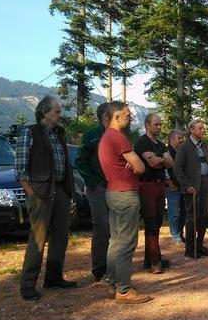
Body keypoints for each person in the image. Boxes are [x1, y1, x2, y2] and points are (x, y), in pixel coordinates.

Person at [15, 96, 77, 301]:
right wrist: (31, 194)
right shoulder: (29, 132)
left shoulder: (59, 134)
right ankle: (27, 285)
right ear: (44, 113)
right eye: (56, 112)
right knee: (38, 239)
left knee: (60, 237)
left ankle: (53, 278)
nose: (60, 115)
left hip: (60, 190)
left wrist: (69, 193)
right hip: (40, 192)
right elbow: (20, 169)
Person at [97, 101, 153, 303]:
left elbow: (132, 163)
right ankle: (123, 290)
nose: (130, 118)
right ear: (116, 117)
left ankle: (114, 284)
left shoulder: (106, 138)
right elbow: (140, 167)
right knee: (126, 243)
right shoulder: (118, 138)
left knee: (116, 242)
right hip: (125, 194)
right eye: (127, 115)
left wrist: (132, 162)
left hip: (113, 192)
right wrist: (134, 162)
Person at [75, 102, 110, 282]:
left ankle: (113, 265)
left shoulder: (118, 134)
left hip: (115, 188)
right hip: (98, 188)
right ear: (105, 116)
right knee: (102, 227)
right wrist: (94, 183)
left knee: (115, 228)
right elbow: (80, 161)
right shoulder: (92, 135)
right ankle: (99, 268)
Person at [134, 113, 173, 274]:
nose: (159, 127)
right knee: (150, 222)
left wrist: (160, 161)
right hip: (147, 185)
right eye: (156, 124)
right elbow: (152, 162)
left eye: (160, 124)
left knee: (157, 222)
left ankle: (149, 260)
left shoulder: (161, 144)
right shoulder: (142, 142)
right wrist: (161, 160)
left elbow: (170, 163)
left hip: (159, 185)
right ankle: (155, 261)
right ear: (147, 125)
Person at [174, 118, 208, 260]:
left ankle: (199, 246)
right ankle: (190, 250)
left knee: (204, 216)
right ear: (191, 130)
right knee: (192, 218)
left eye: (203, 128)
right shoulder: (184, 146)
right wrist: (186, 185)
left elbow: (206, 163)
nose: (202, 130)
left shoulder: (204, 145)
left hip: (205, 184)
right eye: (199, 128)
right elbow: (177, 168)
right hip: (192, 186)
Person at [165, 129, 185, 244]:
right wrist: (170, 184)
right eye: (179, 138)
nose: (181, 140)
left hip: (182, 186)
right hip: (172, 186)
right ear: (171, 140)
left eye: (182, 138)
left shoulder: (181, 152)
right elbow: (165, 170)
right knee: (174, 212)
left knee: (183, 211)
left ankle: (180, 233)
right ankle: (175, 235)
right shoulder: (166, 152)